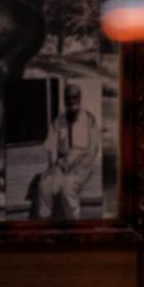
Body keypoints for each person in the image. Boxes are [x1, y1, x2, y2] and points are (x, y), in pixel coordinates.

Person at [30, 82, 101, 219]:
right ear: (64, 100)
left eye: (74, 98)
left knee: (67, 188)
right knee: (44, 185)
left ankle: (73, 223)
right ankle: (44, 223)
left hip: (83, 164)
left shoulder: (89, 119)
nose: (71, 101)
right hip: (62, 164)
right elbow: (51, 146)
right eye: (68, 98)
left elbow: (94, 149)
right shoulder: (58, 121)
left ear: (79, 99)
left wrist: (80, 166)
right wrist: (52, 167)